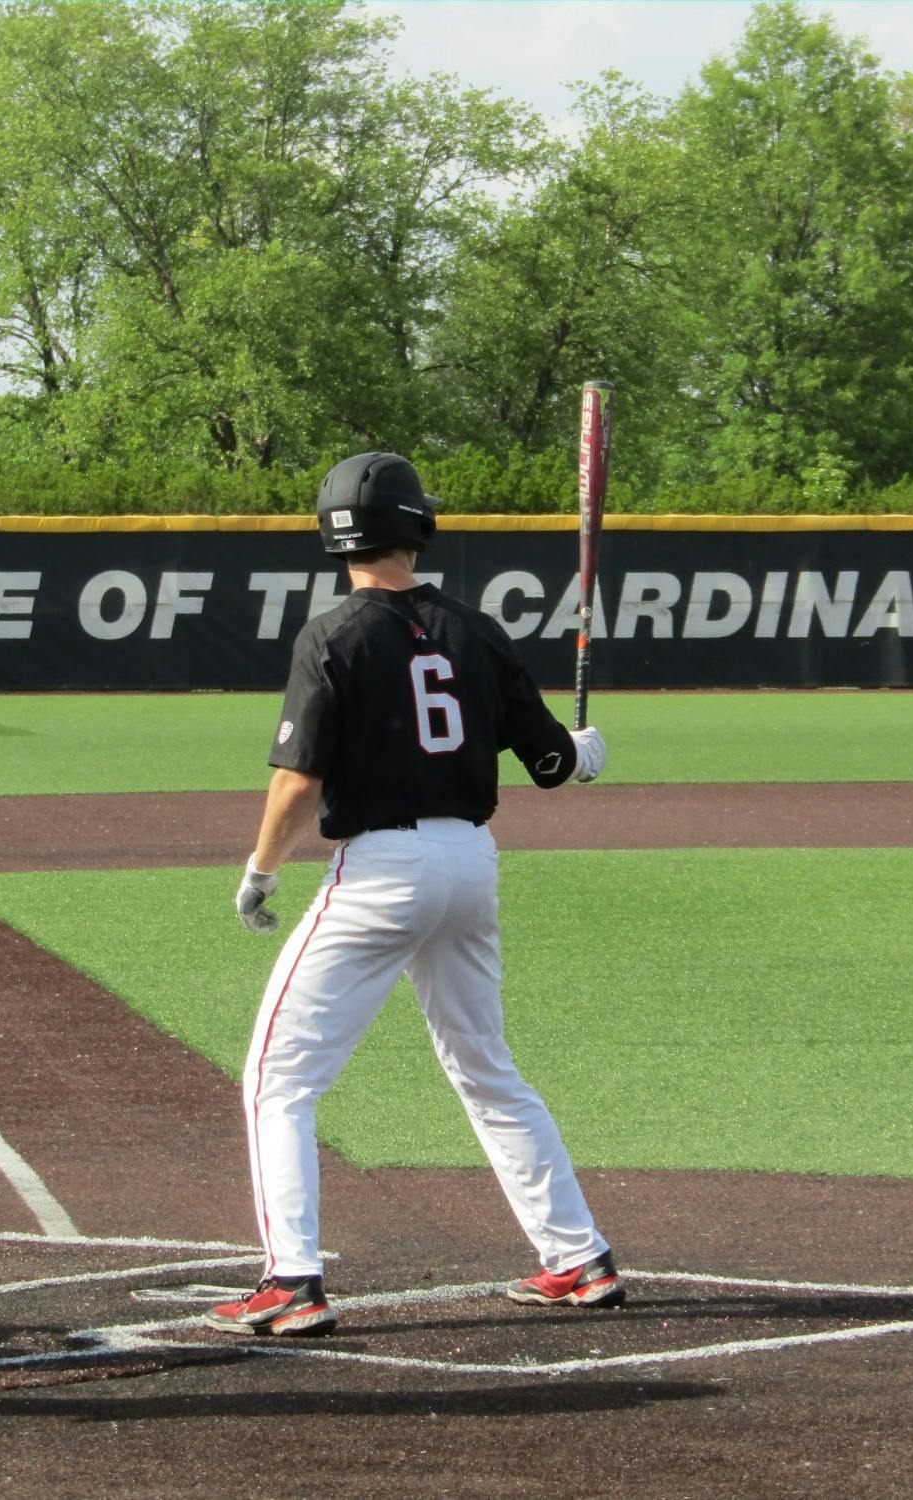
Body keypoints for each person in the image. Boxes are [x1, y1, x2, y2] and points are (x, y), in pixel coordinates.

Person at [206, 451, 621, 1338]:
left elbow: (297, 781)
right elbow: (550, 763)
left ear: (333, 534)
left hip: (382, 870)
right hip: (471, 864)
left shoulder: (332, 634)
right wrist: (585, 752)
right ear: (415, 523)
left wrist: (261, 870)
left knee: (277, 1080)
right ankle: (578, 1257)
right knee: (487, 1067)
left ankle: (291, 1279)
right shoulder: (472, 627)